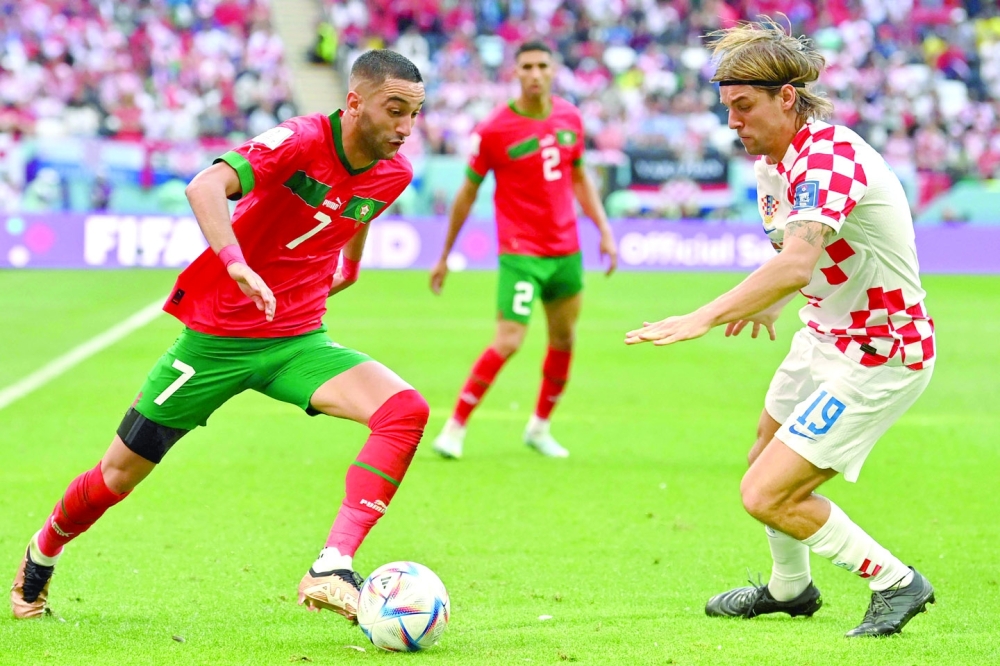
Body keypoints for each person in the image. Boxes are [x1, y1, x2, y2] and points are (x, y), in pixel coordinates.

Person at [11, 50, 427, 623]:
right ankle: (42, 553)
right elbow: (205, 185)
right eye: (395, 110)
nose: (406, 128)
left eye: (415, 114)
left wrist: (347, 269)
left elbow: (358, 216)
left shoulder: (396, 172)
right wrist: (233, 262)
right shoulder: (302, 139)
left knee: (404, 409)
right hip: (215, 342)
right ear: (355, 103)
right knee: (115, 476)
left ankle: (333, 562)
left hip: (297, 341)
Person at [625, 20, 936, 638]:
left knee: (767, 494)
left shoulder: (827, 156)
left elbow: (796, 259)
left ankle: (896, 582)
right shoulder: (775, 161)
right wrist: (769, 303)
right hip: (824, 334)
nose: (732, 123)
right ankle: (790, 590)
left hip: (881, 350)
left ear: (785, 97)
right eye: (728, 109)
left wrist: (702, 317)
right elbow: (804, 259)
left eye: (743, 107)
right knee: (762, 456)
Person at [429, 40, 618, 460]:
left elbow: (580, 178)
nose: (535, 73)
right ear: (515, 73)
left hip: (567, 250)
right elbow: (465, 194)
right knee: (509, 340)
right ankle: (455, 427)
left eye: (542, 66)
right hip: (520, 252)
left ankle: (539, 427)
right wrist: (444, 255)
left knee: (565, 338)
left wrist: (603, 230)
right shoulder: (495, 129)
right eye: (527, 66)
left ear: (554, 71)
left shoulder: (570, 117)